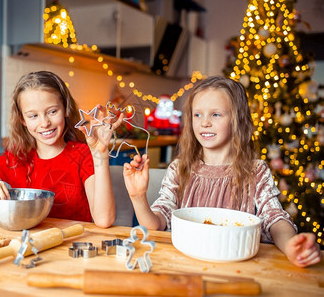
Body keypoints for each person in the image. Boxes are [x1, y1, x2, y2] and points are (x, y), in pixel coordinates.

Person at [123, 76, 322, 267]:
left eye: (216, 114)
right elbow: (154, 225)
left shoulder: (255, 171)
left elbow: (275, 219)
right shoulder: (179, 168)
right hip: (184, 266)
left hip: (238, 268)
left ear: (236, 120)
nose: (204, 122)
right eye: (197, 114)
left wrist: (290, 246)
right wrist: (138, 196)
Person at [0, 71, 123, 228]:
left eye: (52, 111)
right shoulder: (15, 158)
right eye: (33, 115)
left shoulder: (83, 155)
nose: (44, 123)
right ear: (22, 120)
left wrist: (100, 153)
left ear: (65, 109)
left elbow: (104, 220)